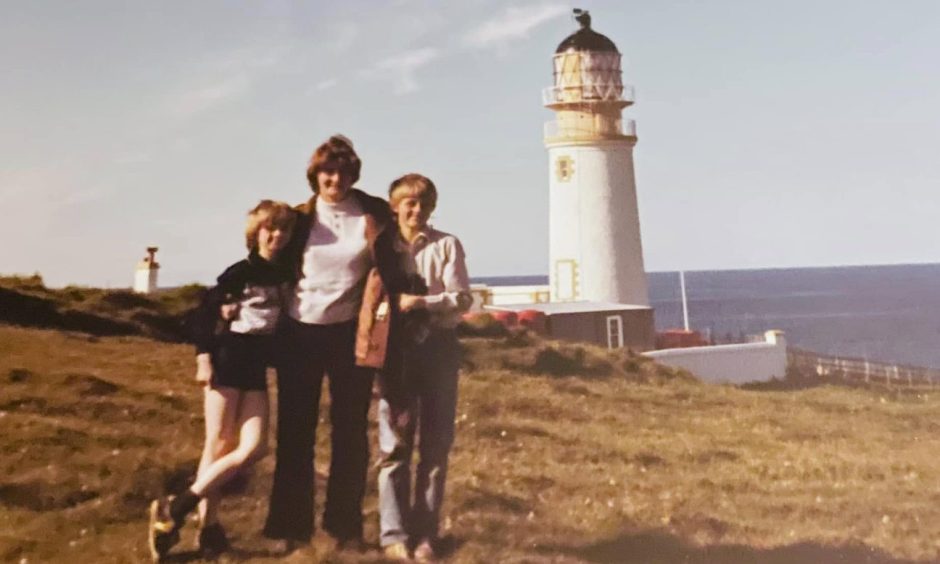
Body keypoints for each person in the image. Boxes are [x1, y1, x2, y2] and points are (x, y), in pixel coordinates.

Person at [263, 135, 410, 551]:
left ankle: (343, 529)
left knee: (349, 433)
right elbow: (265, 257)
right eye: (327, 172)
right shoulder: (298, 217)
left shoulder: (373, 212)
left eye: (343, 172)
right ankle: (290, 529)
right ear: (315, 175)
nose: (335, 179)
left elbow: (397, 257)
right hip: (298, 333)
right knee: (295, 433)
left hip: (351, 333)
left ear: (353, 175)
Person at [148, 200, 296, 562]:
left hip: (256, 371)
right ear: (255, 233)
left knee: (254, 447)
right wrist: (203, 358)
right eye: (269, 229)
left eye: (284, 229)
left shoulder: (288, 275)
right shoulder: (238, 272)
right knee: (218, 445)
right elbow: (202, 317)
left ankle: (177, 507)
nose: (277, 235)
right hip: (227, 362)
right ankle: (208, 529)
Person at [377, 173, 472, 561]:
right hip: (395, 354)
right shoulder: (381, 248)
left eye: (423, 204)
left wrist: (421, 304)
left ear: (432, 207)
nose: (415, 211)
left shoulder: (446, 245)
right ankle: (393, 535)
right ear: (394, 206)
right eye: (408, 203)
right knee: (394, 446)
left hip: (438, 350)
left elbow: (461, 298)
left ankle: (426, 534)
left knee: (435, 446)